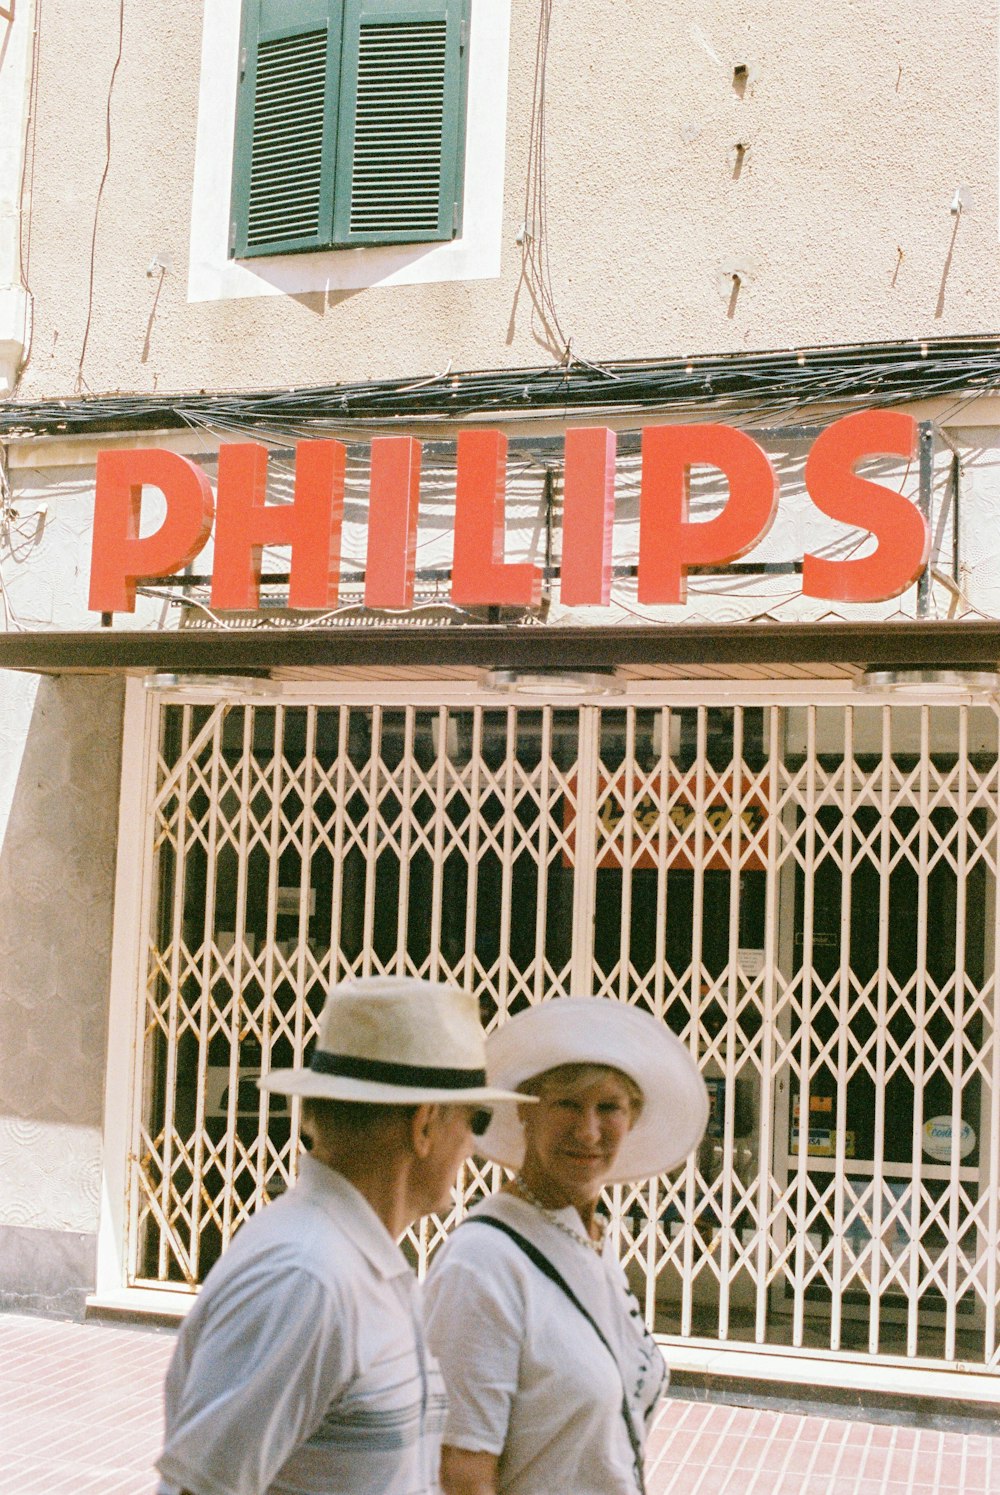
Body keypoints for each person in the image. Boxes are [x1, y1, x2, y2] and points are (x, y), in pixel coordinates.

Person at [155, 976, 528, 1495]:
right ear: (424, 1126)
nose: (473, 1146)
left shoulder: (356, 1264)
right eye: (475, 1118)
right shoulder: (307, 1281)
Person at [424, 996, 709, 1495]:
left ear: (633, 1117)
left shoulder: (586, 1240)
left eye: (609, 1108)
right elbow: (460, 1470)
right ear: (526, 1115)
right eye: (567, 1105)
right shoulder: (482, 1264)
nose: (588, 1130)